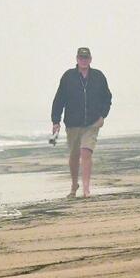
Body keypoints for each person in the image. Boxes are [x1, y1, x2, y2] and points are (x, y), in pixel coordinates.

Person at [51, 47, 112, 198]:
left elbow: (107, 98)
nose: (83, 60)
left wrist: (102, 116)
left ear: (90, 59)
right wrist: (55, 120)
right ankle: (74, 184)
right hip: (72, 123)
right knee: (74, 155)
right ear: (77, 59)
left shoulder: (98, 76)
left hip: (92, 123)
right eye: (81, 58)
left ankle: (86, 189)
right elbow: (59, 99)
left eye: (86, 58)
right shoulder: (68, 77)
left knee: (86, 153)